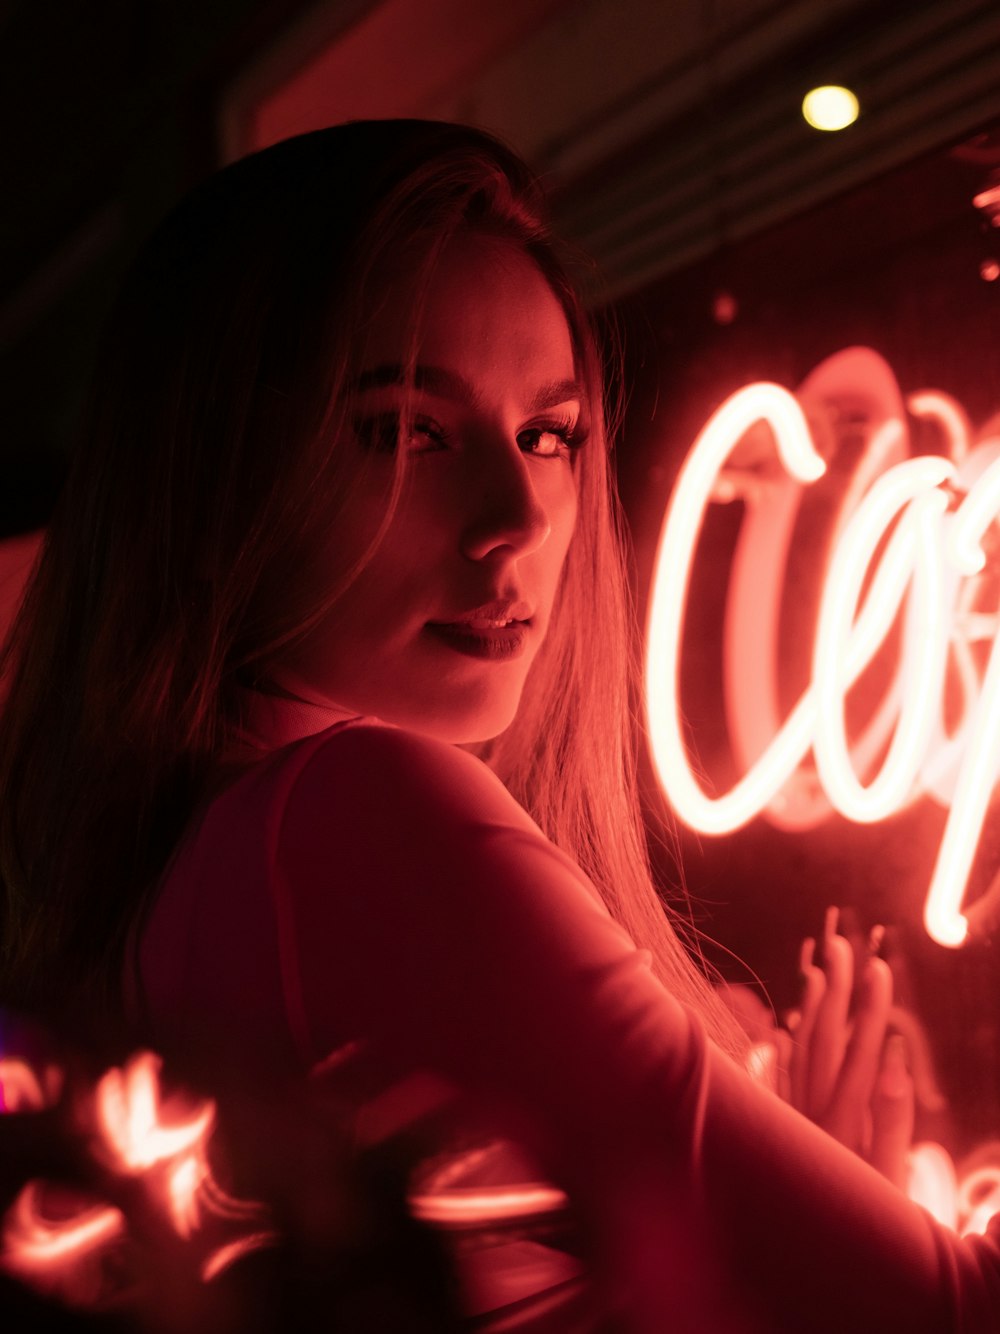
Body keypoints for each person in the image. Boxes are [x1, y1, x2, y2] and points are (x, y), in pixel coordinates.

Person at [0, 119, 997, 1332]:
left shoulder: (209, 852)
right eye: (404, 428)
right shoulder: (353, 818)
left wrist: (783, 1232)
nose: (516, 515)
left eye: (548, 434)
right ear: (222, 472)